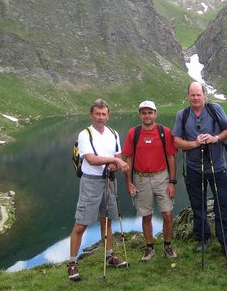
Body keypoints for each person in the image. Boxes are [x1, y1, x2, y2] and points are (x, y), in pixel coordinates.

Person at [67, 98, 130, 281]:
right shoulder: (85, 134)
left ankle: (110, 256)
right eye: (97, 114)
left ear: (108, 115)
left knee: (107, 221)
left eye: (104, 114)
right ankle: (72, 264)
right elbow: (90, 159)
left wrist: (115, 164)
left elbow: (118, 154)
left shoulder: (113, 133)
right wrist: (116, 161)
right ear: (91, 115)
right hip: (91, 182)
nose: (101, 118)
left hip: (109, 181)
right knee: (81, 224)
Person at [172, 81, 227, 256]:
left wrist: (215, 138)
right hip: (194, 168)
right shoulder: (182, 115)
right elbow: (176, 141)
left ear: (204, 95)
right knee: (198, 205)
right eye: (192, 95)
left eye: (198, 94)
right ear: (188, 96)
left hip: (217, 167)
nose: (195, 98)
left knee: (222, 204)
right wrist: (195, 143)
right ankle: (202, 237)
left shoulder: (215, 109)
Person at [123, 100, 178, 261]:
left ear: (155, 114)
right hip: (141, 178)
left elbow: (171, 157)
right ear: (140, 114)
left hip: (162, 177)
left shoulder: (164, 132)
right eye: (144, 113)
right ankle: (149, 248)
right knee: (146, 215)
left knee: (167, 214)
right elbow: (129, 158)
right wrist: (129, 182)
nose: (147, 116)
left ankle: (167, 246)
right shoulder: (134, 133)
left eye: (150, 112)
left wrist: (172, 182)